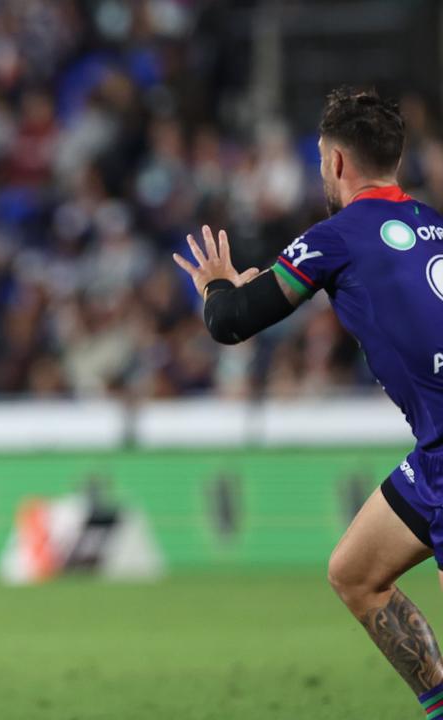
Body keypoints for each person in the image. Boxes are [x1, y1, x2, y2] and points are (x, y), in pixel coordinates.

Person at [174, 87, 443, 716]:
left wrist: (216, 285)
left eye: (322, 159)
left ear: (337, 164)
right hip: (435, 455)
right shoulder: (435, 225)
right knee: (355, 572)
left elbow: (232, 321)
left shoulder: (337, 236)